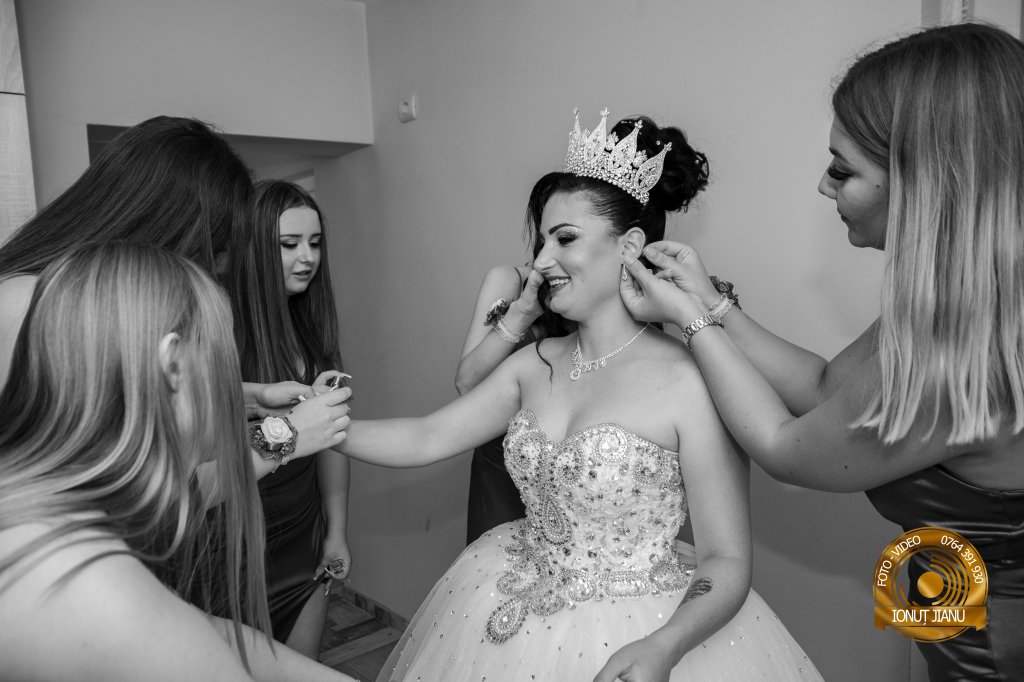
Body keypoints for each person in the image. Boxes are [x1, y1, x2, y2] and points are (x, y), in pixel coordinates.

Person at [339, 110, 823, 681]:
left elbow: (727, 559)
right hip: (508, 601)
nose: (542, 260)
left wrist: (665, 645)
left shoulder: (691, 380)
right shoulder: (534, 362)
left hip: (643, 627)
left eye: (564, 238)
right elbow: (427, 436)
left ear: (630, 245)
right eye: (543, 239)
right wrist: (317, 429)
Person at [618, 23, 1024, 681]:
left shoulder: (964, 347)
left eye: (843, 170)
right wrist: (715, 307)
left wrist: (691, 323)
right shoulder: (976, 297)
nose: (823, 187)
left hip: (994, 646)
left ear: (929, 182)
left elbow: (786, 448)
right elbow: (827, 386)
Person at [0, 243, 355, 682]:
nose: (235, 386)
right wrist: (288, 433)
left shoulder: (59, 498)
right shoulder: (100, 592)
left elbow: (203, 631)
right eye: (226, 360)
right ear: (172, 363)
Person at [0, 116, 349, 472]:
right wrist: (286, 437)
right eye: (214, 247)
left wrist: (253, 399)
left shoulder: (95, 303)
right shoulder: (27, 305)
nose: (219, 266)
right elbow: (132, 480)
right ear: (167, 227)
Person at [232, 179, 352, 658]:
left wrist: (336, 530)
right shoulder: (217, 329)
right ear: (255, 248)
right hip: (233, 539)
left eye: (315, 243)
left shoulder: (310, 330)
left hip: (303, 536)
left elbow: (333, 439)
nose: (308, 258)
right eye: (289, 244)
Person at [457, 258, 569, 544]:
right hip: (503, 469)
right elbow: (467, 384)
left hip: (579, 476)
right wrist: (520, 316)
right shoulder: (510, 282)